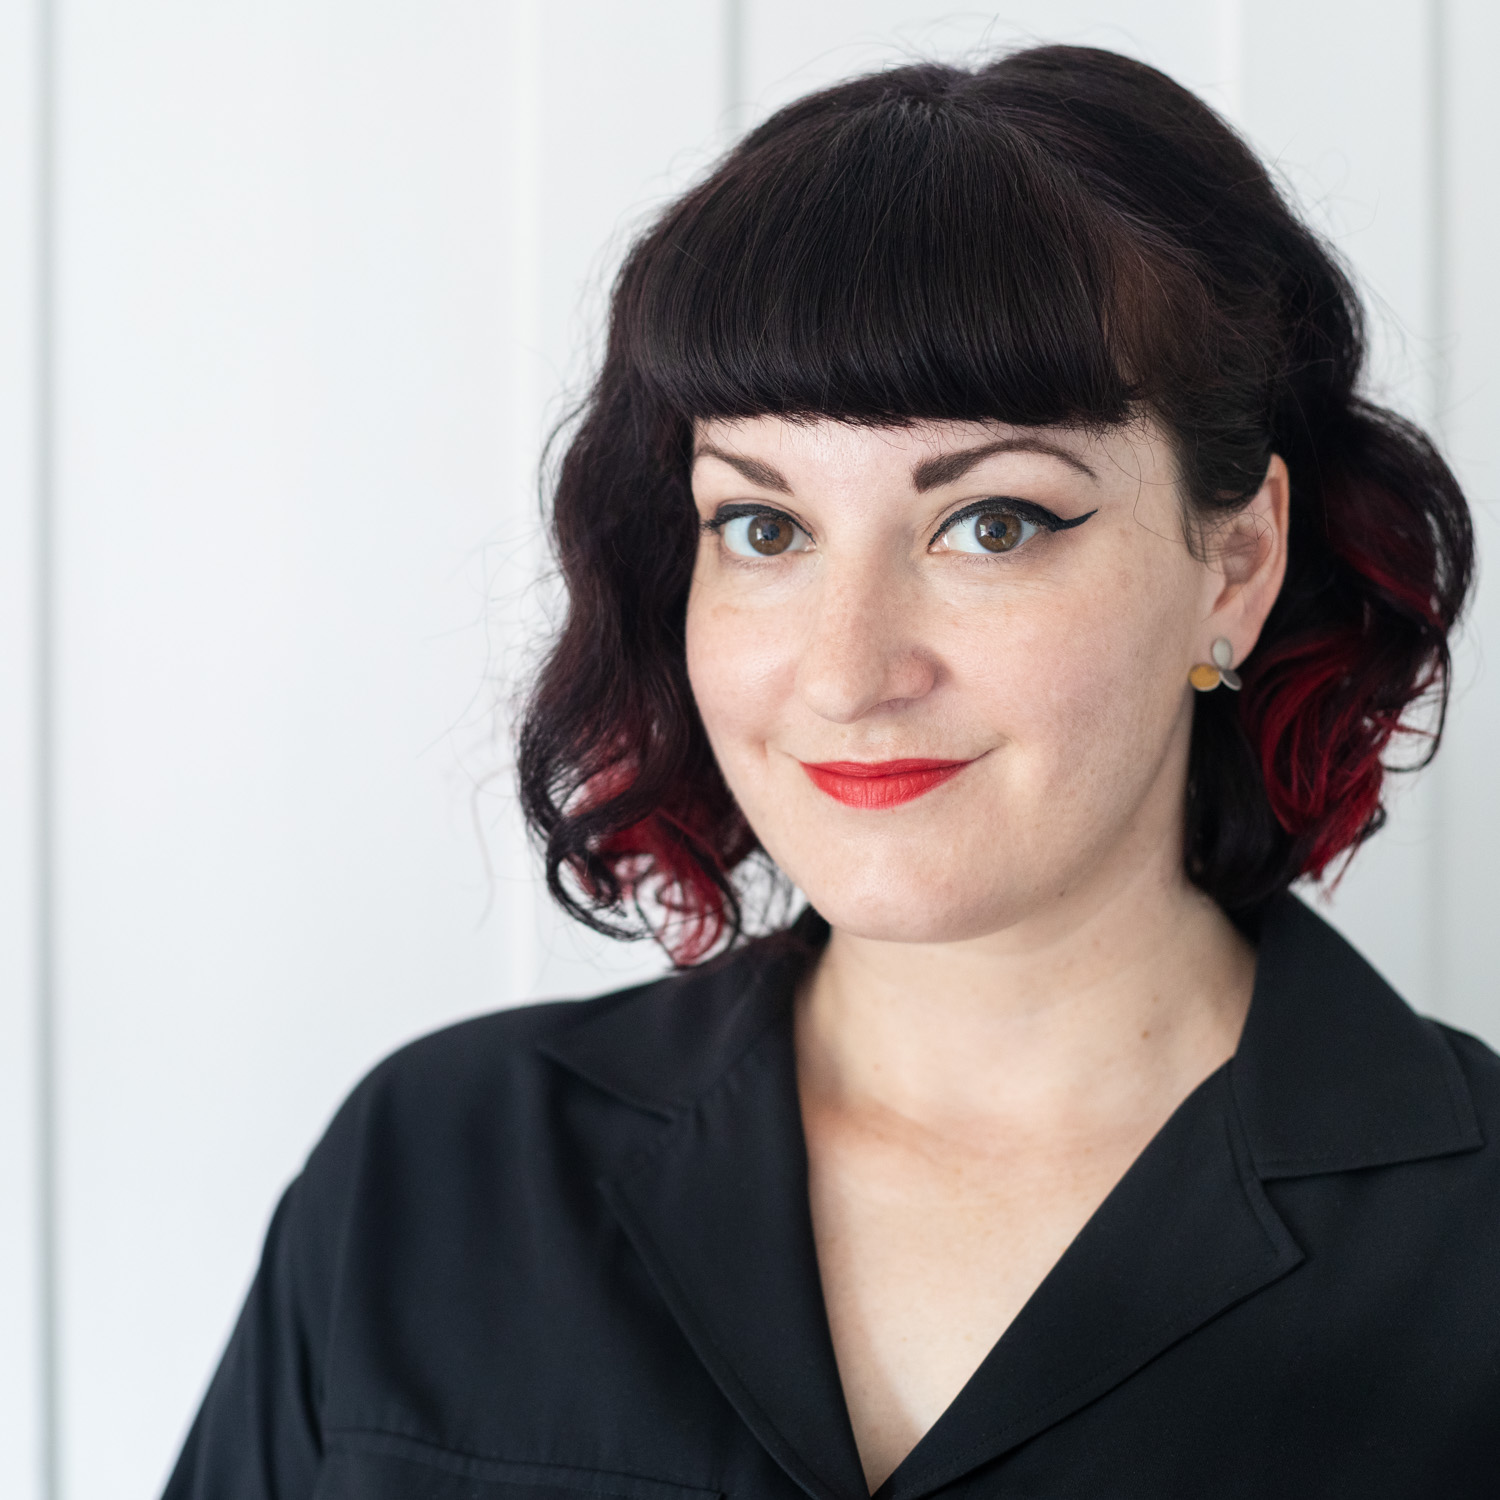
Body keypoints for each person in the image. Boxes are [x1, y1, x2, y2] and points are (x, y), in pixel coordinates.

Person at [164, 45, 1498, 1500]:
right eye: (766, 529)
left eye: (991, 524)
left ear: (1232, 565)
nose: (850, 671)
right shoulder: (433, 1179)